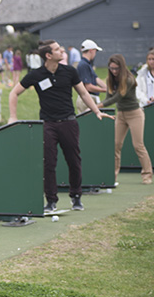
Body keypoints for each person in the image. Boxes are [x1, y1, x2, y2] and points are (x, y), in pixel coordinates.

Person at [8, 39, 113, 213]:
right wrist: (12, 117)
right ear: (48, 55)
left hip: (69, 122)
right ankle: (51, 201)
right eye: (57, 49)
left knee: (74, 161)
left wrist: (96, 111)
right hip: (48, 125)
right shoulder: (36, 75)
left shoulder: (70, 71)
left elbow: (84, 93)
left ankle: (76, 197)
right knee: (48, 164)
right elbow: (14, 93)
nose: (62, 51)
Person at [99, 54, 152, 184]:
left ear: (122, 67)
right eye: (111, 68)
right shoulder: (110, 79)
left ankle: (147, 175)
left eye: (117, 68)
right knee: (116, 145)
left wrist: (97, 106)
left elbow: (117, 98)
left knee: (138, 145)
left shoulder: (129, 79)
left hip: (135, 114)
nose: (114, 71)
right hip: (121, 115)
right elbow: (108, 97)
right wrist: (98, 106)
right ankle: (114, 176)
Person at [76, 39, 107, 113]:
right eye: (95, 51)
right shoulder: (83, 65)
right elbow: (88, 87)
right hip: (86, 100)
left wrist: (107, 88)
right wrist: (105, 90)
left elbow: (96, 79)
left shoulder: (87, 64)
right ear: (91, 50)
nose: (95, 54)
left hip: (91, 98)